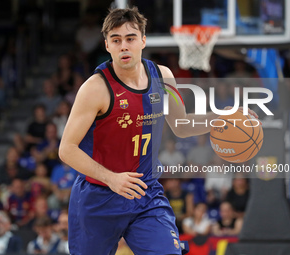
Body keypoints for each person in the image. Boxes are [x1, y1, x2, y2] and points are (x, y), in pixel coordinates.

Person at [59, 7, 259, 255]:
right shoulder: (95, 88)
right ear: (107, 45)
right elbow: (66, 149)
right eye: (116, 40)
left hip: (145, 193)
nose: (124, 46)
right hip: (98, 197)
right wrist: (112, 178)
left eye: (130, 38)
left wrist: (221, 117)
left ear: (143, 40)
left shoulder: (162, 76)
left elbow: (182, 125)